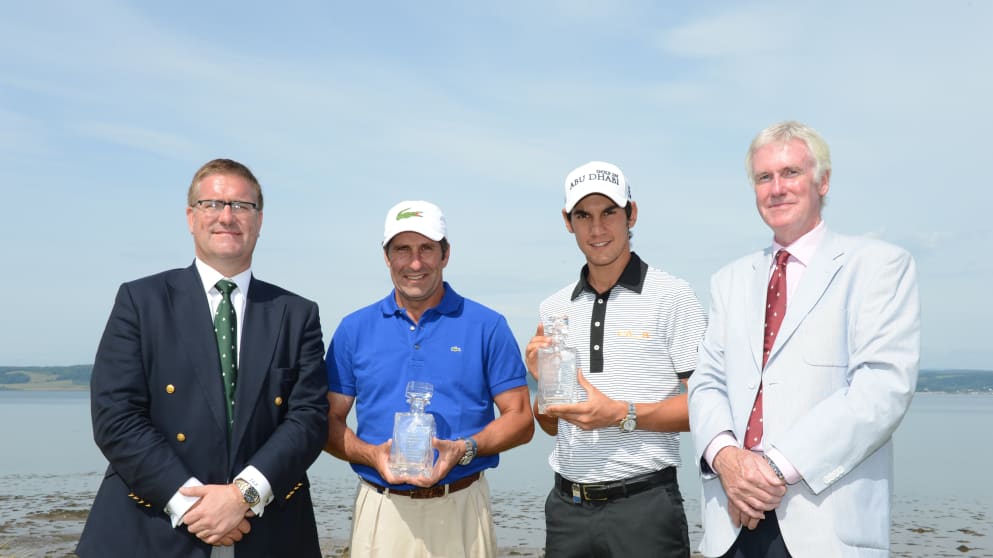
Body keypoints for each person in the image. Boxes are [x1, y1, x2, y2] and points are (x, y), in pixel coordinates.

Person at [687, 121, 920, 557]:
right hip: (732, 520)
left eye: (790, 172)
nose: (777, 188)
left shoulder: (878, 267)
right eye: (764, 177)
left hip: (825, 527)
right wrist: (726, 458)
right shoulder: (727, 281)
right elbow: (706, 382)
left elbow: (881, 388)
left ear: (822, 181)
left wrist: (772, 468)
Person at [77, 159, 329, 558]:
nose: (226, 216)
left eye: (241, 206)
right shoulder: (140, 301)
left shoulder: (296, 314)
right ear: (191, 217)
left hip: (271, 532)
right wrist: (190, 504)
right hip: (152, 529)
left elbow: (309, 419)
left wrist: (243, 495)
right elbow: (115, 415)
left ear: (259, 221)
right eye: (212, 204)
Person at [324, 200, 534, 558]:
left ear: (445, 254)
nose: (415, 263)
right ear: (386, 256)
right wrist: (371, 455)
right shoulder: (353, 329)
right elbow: (327, 420)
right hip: (382, 509)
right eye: (402, 250)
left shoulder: (487, 326)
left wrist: (465, 449)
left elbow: (521, 419)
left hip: (462, 506)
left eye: (426, 249)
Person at [525, 161, 707, 557]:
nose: (597, 228)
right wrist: (541, 383)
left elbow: (709, 406)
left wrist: (620, 413)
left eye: (609, 212)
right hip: (566, 510)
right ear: (567, 221)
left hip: (644, 507)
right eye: (583, 215)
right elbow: (551, 426)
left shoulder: (673, 296)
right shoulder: (554, 308)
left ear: (631, 214)